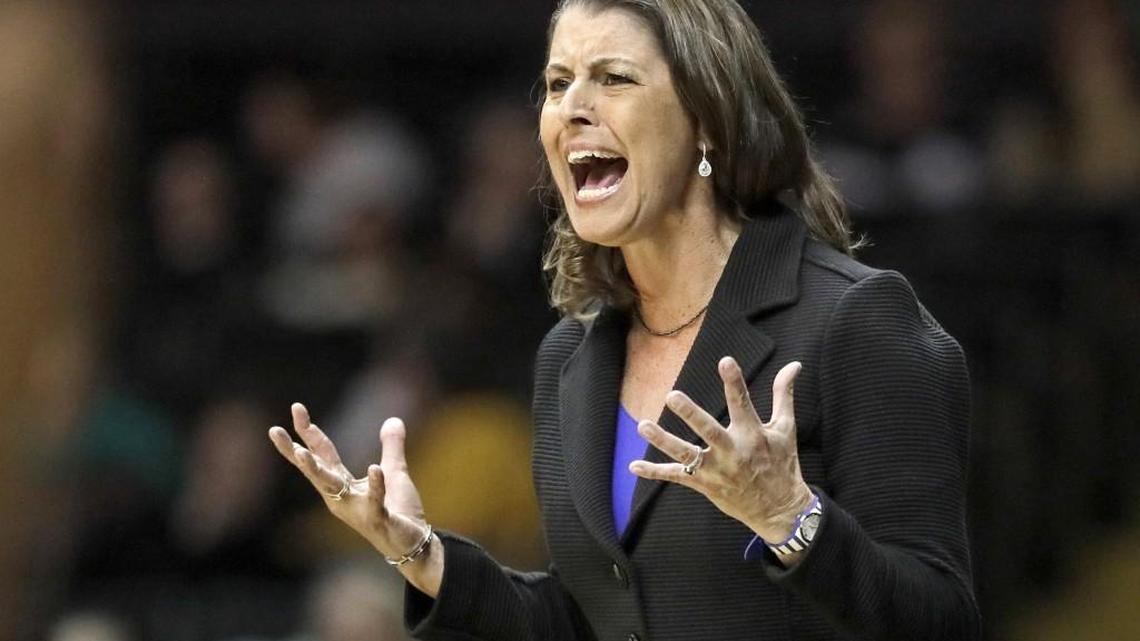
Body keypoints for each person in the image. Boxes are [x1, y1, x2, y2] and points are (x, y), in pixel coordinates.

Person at [268, 1, 980, 639]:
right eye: (556, 84)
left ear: (707, 119)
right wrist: (424, 554)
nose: (571, 107)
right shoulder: (573, 354)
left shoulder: (854, 321)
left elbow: (940, 618)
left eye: (613, 78)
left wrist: (792, 519)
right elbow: (591, 616)